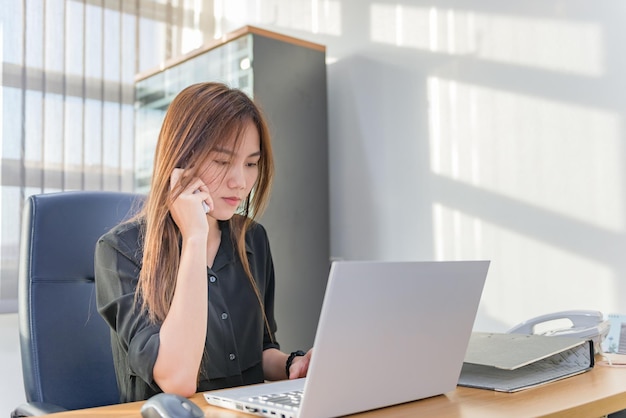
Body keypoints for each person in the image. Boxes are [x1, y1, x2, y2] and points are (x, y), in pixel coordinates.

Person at [95, 82, 312, 403]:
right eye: (222, 162)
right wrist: (195, 238)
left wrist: (297, 364)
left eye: (251, 163)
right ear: (180, 159)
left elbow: (260, 350)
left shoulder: (253, 238)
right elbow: (177, 379)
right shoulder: (121, 251)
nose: (240, 181)